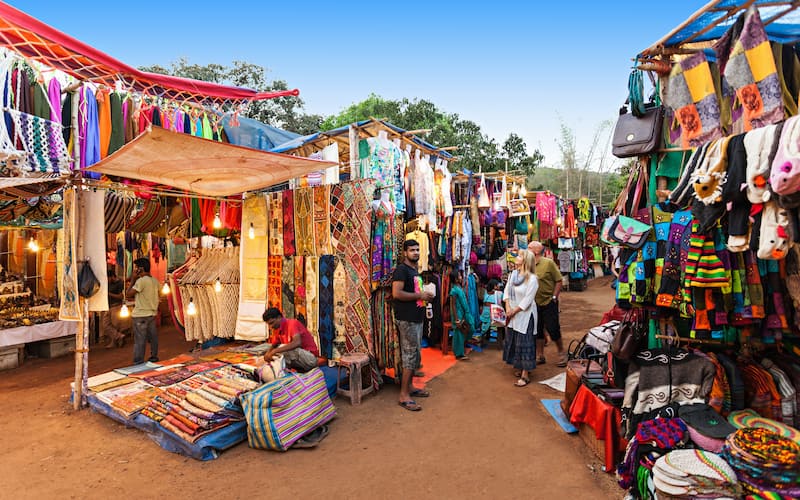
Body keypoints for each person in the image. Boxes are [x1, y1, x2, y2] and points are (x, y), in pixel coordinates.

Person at [392, 239, 435, 411]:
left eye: (417, 249)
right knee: (409, 356)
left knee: (415, 354)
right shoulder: (402, 270)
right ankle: (403, 395)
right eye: (412, 250)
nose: (416, 252)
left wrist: (424, 296)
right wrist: (420, 296)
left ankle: (409, 387)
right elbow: (397, 293)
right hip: (406, 318)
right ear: (404, 252)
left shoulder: (413, 270)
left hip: (416, 317)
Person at [503, 250, 539, 386]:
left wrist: (514, 311)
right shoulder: (513, 275)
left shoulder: (533, 279)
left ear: (525, 261)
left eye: (519, 256)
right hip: (512, 312)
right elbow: (507, 291)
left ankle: (525, 374)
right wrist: (508, 308)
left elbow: (528, 300)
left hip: (525, 314)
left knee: (525, 341)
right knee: (515, 339)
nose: (516, 257)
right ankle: (518, 366)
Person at [528, 241, 567, 367]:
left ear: (536, 251)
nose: (526, 250)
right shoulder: (528, 264)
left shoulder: (548, 263)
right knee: (537, 329)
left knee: (553, 328)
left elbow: (559, 280)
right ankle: (540, 355)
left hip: (549, 301)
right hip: (534, 302)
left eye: (529, 248)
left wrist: (554, 296)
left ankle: (562, 353)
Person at [262, 308, 319, 372]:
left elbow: (297, 343)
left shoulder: (292, 323)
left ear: (279, 317)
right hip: (301, 359)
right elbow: (274, 344)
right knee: (273, 350)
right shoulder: (277, 329)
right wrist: (268, 353)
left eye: (272, 323)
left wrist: (274, 351)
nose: (271, 326)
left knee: (282, 350)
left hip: (310, 359)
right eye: (269, 324)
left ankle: (282, 371)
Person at [126, 258, 160, 364]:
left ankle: (138, 361)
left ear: (140, 269)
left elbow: (128, 294)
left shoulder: (141, 281)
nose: (134, 270)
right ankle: (154, 356)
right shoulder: (155, 281)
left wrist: (133, 280)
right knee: (153, 337)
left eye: (135, 268)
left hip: (140, 315)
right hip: (151, 314)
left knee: (140, 340)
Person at [448, 270, 473, 360]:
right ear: (455, 279)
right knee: (458, 332)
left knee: (468, 328)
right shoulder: (454, 290)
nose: (461, 277)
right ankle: (459, 354)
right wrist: (456, 319)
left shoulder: (459, 287)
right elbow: (453, 305)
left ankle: (462, 348)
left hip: (463, 312)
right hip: (458, 313)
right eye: (459, 276)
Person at [100, 269, 126, 348]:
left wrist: (109, 294)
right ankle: (119, 336)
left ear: (112, 277)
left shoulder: (120, 283)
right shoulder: (107, 284)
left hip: (116, 306)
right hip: (108, 306)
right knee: (105, 325)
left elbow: (121, 296)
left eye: (108, 278)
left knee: (115, 325)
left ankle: (114, 341)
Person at [479, 278, 502, 345]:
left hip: (490, 315)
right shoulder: (498, 293)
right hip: (492, 315)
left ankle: (483, 337)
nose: (499, 286)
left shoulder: (488, 293)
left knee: (484, 322)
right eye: (497, 285)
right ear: (494, 286)